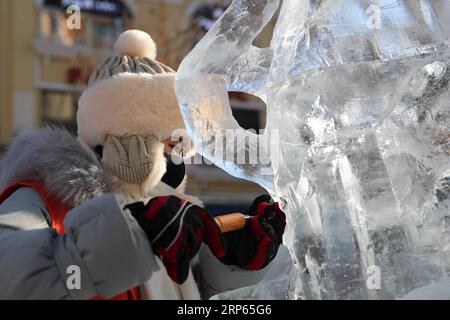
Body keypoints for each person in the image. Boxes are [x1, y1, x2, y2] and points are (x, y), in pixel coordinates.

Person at [0, 30, 286, 300]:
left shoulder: (164, 220)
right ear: (126, 141)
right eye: (169, 143)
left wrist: (229, 263)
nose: (178, 160)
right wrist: (129, 234)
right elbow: (10, 277)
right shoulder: (43, 198)